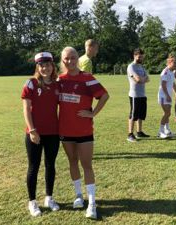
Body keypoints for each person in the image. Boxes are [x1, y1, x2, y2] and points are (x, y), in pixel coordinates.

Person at [58, 47, 109, 220]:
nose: (70, 61)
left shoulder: (87, 78)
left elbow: (104, 95)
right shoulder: (59, 80)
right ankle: (79, 195)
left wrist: (93, 113)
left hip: (84, 130)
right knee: (72, 162)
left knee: (87, 165)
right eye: (66, 58)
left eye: (73, 58)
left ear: (77, 59)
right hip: (65, 130)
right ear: (62, 60)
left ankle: (92, 202)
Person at [21, 52, 60, 216]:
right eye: (41, 65)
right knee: (33, 167)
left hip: (53, 133)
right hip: (35, 134)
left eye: (48, 65)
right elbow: (26, 109)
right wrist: (32, 130)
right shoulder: (31, 83)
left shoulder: (58, 85)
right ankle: (32, 202)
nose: (45, 68)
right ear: (37, 67)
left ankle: (49, 198)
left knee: (50, 166)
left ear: (53, 66)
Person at [127, 48, 150, 142]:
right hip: (134, 95)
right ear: (134, 56)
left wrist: (142, 79)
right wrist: (142, 79)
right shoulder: (131, 67)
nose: (141, 58)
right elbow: (138, 80)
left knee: (141, 114)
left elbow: (148, 79)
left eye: (142, 56)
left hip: (142, 94)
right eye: (139, 56)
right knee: (133, 114)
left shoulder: (141, 67)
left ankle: (139, 132)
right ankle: (130, 134)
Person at [158, 55, 176, 138]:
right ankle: (160, 132)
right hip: (163, 96)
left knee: (168, 114)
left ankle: (167, 130)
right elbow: (163, 85)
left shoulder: (171, 72)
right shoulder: (165, 72)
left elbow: (173, 84)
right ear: (169, 63)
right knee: (167, 113)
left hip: (168, 95)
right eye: (175, 63)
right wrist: (167, 95)